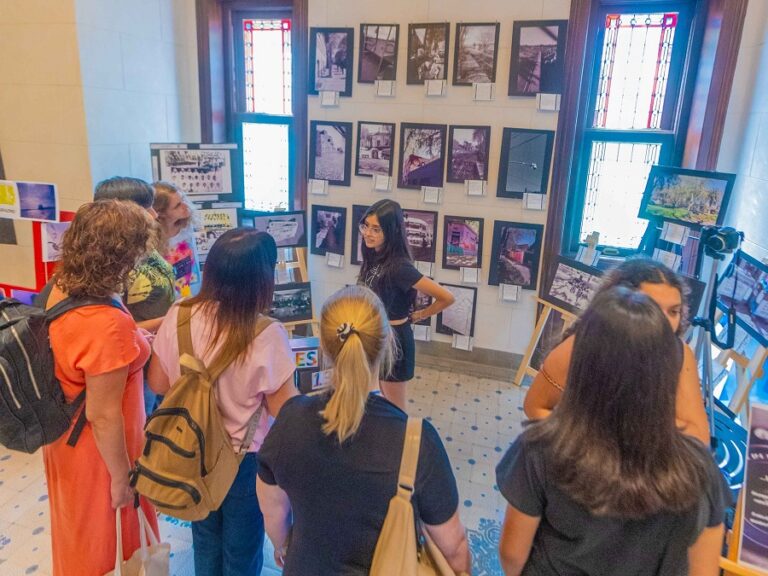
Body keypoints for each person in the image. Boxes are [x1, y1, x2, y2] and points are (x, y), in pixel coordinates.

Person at [497, 287, 729, 576]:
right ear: (668, 370)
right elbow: (704, 570)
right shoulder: (700, 467)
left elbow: (511, 554)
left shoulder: (540, 446)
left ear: (582, 363)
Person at [256, 285, 471, 575]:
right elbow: (453, 544)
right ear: (386, 344)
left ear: (324, 346)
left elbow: (274, 514)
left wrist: (283, 546)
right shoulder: (417, 440)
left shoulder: (289, 420)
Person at [147, 228, 298, 576]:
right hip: (242, 460)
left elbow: (157, 382)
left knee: (205, 537)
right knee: (242, 550)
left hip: (188, 449)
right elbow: (285, 412)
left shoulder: (179, 314)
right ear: (262, 278)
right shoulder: (265, 332)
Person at [42, 200, 159, 576]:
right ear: (122, 255)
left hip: (68, 443)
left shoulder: (62, 287)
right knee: (108, 551)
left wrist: (135, 338)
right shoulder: (105, 322)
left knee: (76, 534)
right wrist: (122, 479)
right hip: (103, 457)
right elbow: (104, 415)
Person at [523, 258, 709, 444]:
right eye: (651, 308)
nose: (665, 322)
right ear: (620, 307)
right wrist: (579, 448)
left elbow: (698, 437)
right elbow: (535, 406)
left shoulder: (680, 355)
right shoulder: (580, 346)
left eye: (673, 312)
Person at [358, 199, 455, 409]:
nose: (367, 233)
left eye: (376, 229)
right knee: (376, 401)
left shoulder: (400, 267)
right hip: (375, 336)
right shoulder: (374, 255)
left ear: (391, 232)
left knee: (395, 409)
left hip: (395, 343)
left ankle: (399, 441)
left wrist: (419, 315)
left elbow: (447, 297)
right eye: (366, 226)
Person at [94, 176, 177, 414]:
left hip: (156, 353)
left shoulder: (143, 247)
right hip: (134, 363)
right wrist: (171, 319)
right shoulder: (110, 264)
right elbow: (114, 328)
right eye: (144, 207)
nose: (153, 214)